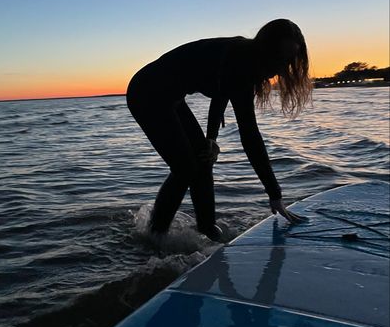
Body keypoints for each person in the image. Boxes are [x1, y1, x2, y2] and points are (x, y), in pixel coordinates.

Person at [126, 19, 313, 241]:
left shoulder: (242, 59)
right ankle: (155, 237)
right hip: (146, 92)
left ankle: (208, 230)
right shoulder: (241, 62)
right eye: (280, 60)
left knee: (203, 159)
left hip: (171, 97)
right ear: (265, 49)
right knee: (185, 169)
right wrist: (275, 194)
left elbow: (220, 93)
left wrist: (211, 138)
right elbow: (249, 134)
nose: (282, 71)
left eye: (289, 61)